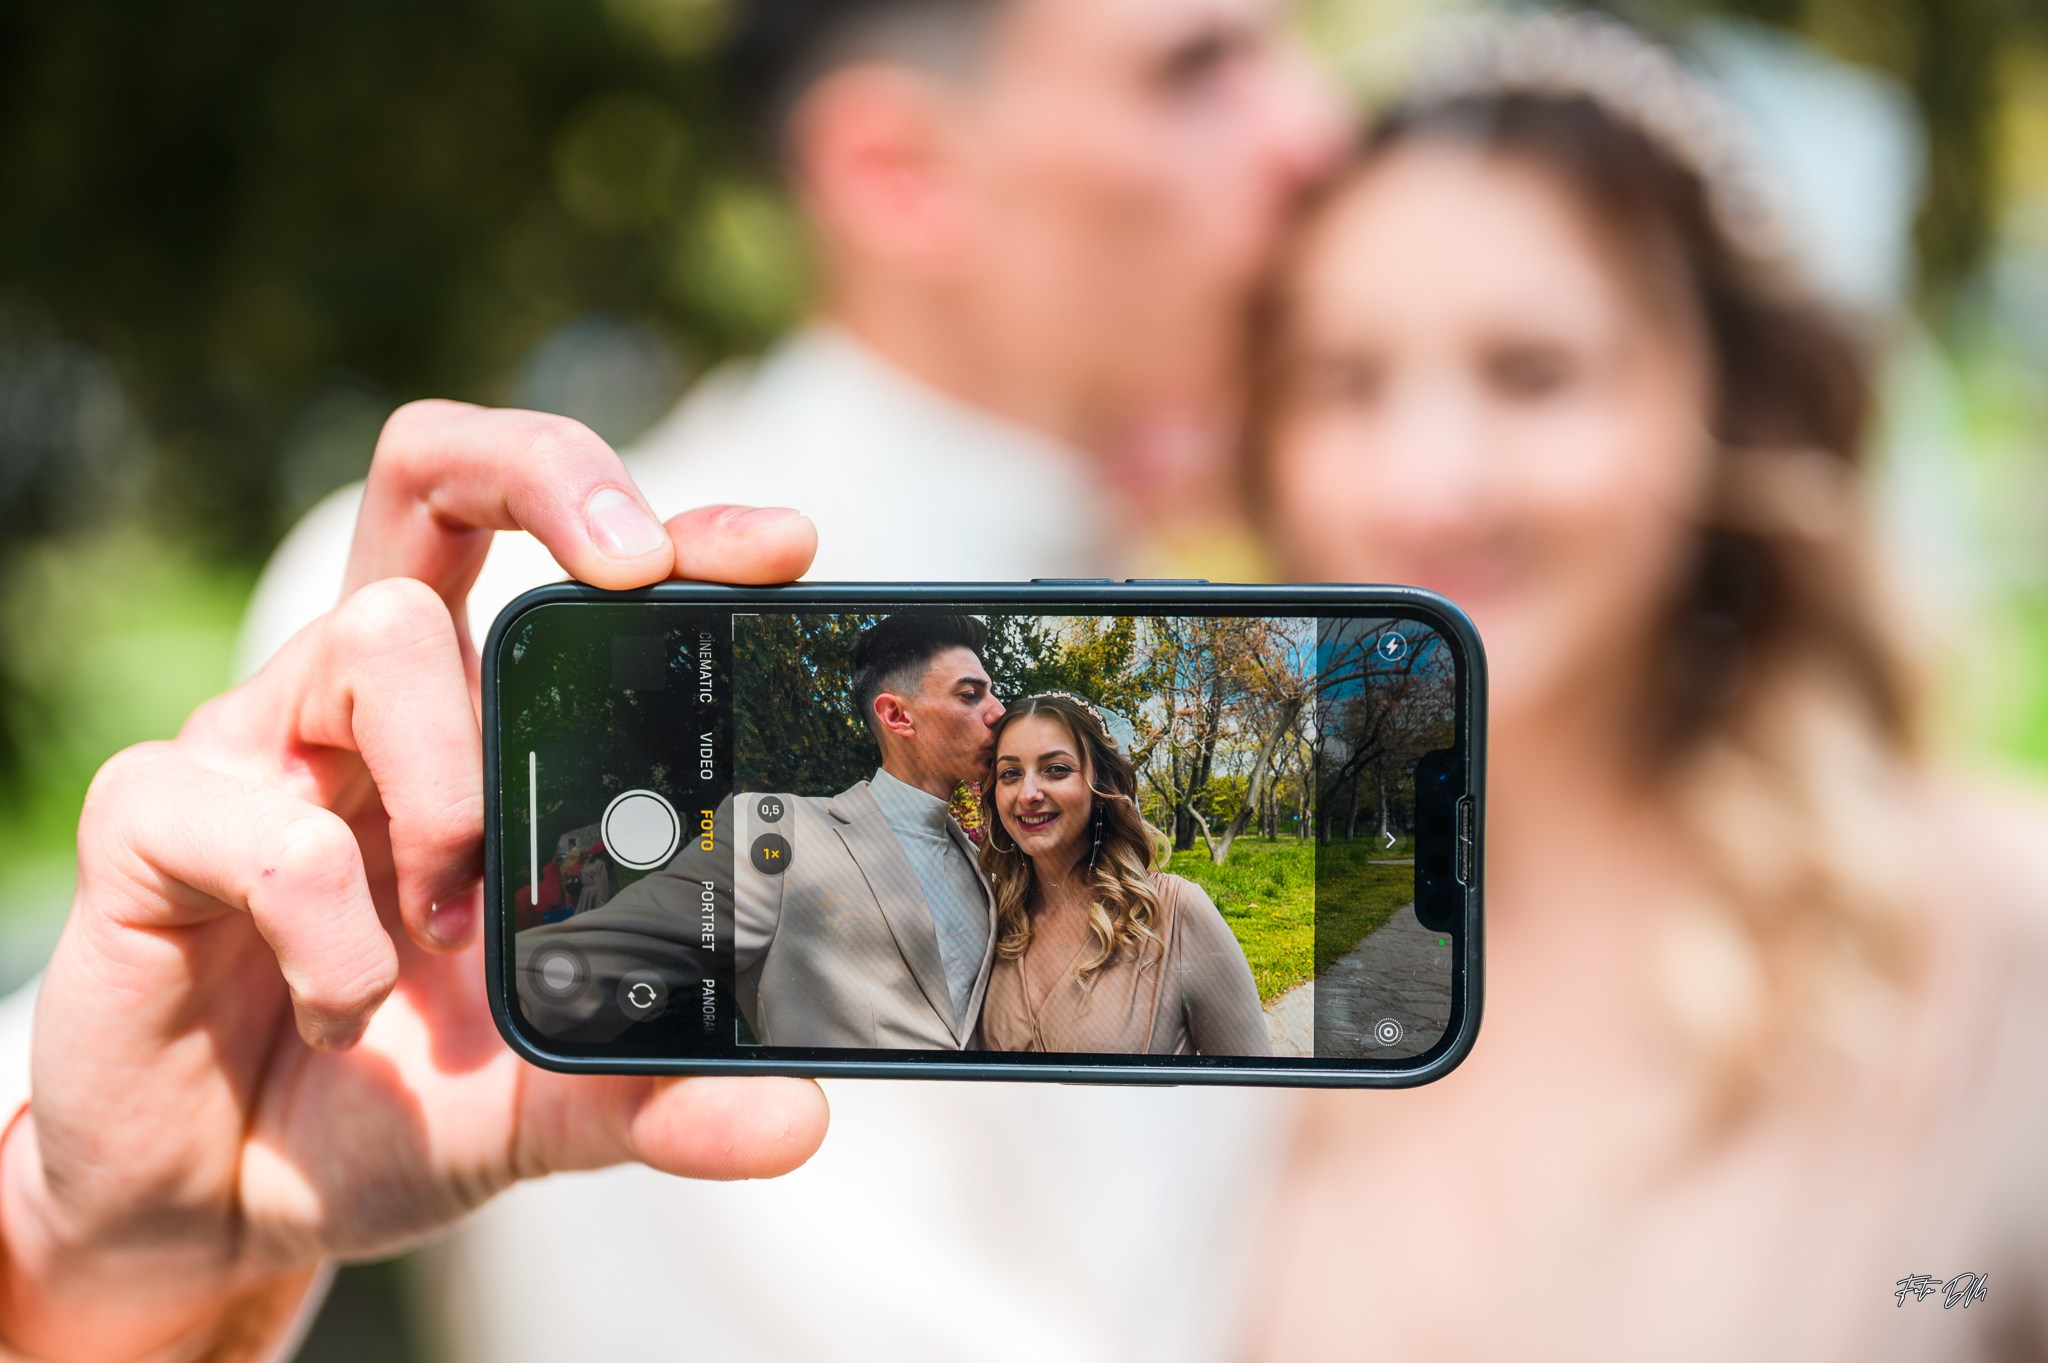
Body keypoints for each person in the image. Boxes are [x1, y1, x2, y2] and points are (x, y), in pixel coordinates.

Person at [0, 5, 1340, 1361]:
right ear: (900, 171)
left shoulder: (1232, 613)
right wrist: (106, 1276)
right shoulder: (457, 632)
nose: (1314, 134)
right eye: (1197, 70)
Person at [1236, 13, 2048, 1357]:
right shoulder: (1234, 952)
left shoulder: (1996, 939)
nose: (1429, 484)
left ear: (1730, 400)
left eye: (1534, 374)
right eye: (1347, 382)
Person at [518, 614, 1005, 1049]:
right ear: (897, 715)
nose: (999, 711)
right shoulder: (776, 835)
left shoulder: (986, 863)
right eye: (971, 694)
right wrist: (457, 1008)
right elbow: (564, 971)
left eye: (992, 690)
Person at [976, 693, 1270, 1056]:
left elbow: (1254, 1089)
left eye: (1056, 769)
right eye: (1011, 773)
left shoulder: (1176, 913)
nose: (1028, 793)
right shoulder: (994, 919)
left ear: (1101, 786)